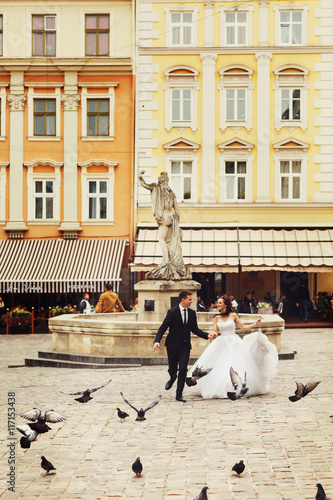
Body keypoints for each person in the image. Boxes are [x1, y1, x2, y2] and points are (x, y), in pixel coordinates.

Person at [193, 295, 278, 399]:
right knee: (221, 364)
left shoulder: (233, 316)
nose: (217, 304)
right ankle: (221, 386)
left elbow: (242, 327)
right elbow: (215, 332)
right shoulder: (216, 318)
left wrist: (254, 324)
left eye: (220, 303)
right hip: (222, 342)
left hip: (234, 342)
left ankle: (237, 388)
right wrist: (212, 335)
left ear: (225, 304)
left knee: (235, 363)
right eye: (217, 302)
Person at [152, 289, 216, 403]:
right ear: (183, 300)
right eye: (190, 299)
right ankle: (172, 378)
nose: (192, 301)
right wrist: (157, 341)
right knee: (173, 369)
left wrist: (207, 335)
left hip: (185, 346)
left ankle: (179, 394)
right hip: (172, 345)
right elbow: (163, 327)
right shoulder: (172, 312)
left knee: (183, 369)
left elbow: (195, 329)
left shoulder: (192, 313)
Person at [139, 170, 191, 280]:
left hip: (164, 217)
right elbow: (177, 211)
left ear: (160, 181)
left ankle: (166, 260)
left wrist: (139, 175)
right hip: (171, 218)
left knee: (161, 239)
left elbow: (143, 184)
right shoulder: (171, 193)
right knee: (169, 241)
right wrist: (177, 225)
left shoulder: (157, 188)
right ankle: (168, 259)